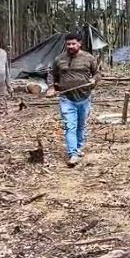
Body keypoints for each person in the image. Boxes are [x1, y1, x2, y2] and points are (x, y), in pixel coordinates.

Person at [47, 32, 100, 167]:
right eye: (68, 44)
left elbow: (97, 73)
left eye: (73, 44)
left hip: (84, 97)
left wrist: (94, 80)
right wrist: (51, 87)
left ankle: (78, 147)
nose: (70, 46)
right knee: (70, 126)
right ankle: (73, 154)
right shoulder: (59, 59)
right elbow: (51, 74)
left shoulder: (89, 58)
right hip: (67, 98)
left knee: (81, 125)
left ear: (79, 44)